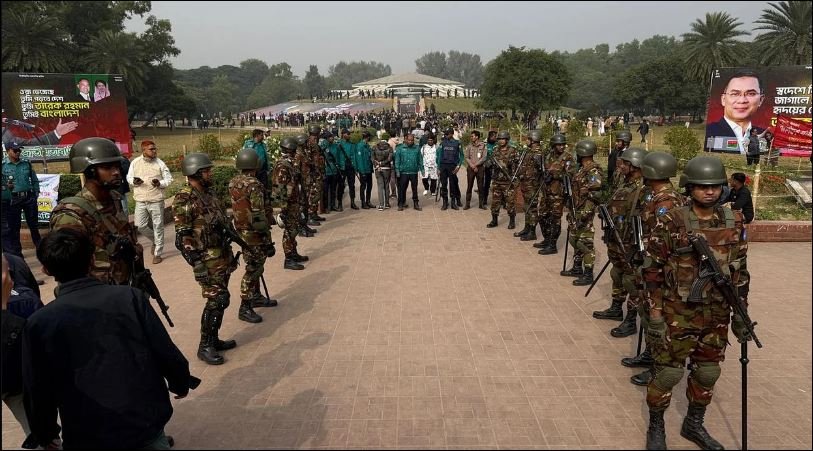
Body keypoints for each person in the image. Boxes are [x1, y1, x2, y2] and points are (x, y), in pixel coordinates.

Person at [23, 228, 199, 449]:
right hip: (143, 424)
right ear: (91, 260)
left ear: (46, 270)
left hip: (86, 433)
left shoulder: (40, 323)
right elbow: (163, 349)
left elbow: (37, 388)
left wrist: (45, 433)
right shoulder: (129, 298)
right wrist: (180, 382)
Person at [642, 156, 750, 450]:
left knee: (707, 372)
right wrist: (654, 314)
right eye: (702, 186)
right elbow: (652, 270)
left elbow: (740, 268)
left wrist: (741, 313)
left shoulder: (734, 220)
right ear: (689, 188)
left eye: (714, 186)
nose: (709, 192)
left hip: (717, 313)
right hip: (678, 313)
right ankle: (656, 426)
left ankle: (693, 424)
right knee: (668, 373)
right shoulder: (672, 220)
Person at [622, 151, 685, 387]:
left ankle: (658, 365)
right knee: (647, 313)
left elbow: (664, 238)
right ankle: (651, 354)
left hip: (661, 268)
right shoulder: (655, 196)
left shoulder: (666, 201)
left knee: (657, 320)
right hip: (650, 262)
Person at [173, 153, 240, 364]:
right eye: (206, 171)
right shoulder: (185, 198)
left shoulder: (208, 194)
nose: (210, 173)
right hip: (206, 260)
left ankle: (214, 338)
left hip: (220, 256)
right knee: (216, 300)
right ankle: (205, 345)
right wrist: (197, 263)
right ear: (195, 173)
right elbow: (182, 237)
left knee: (222, 299)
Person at [50, 137, 143, 285]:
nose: (116, 172)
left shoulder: (115, 199)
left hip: (125, 287)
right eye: (107, 167)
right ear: (91, 171)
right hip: (96, 296)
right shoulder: (72, 214)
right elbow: (67, 269)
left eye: (117, 167)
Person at [591, 148, 648, 338]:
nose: (620, 166)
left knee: (631, 281)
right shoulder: (625, 183)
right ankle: (616, 308)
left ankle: (631, 320)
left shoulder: (643, 189)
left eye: (624, 163)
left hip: (630, 244)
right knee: (617, 274)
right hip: (616, 239)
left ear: (635, 166)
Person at [229, 149, 277, 324]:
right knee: (254, 268)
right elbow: (258, 215)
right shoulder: (254, 185)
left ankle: (255, 296)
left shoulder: (233, 183)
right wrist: (266, 238)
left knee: (253, 264)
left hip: (241, 231)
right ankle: (245, 306)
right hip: (254, 233)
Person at [560, 140, 604, 286]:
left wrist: (585, 213)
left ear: (582, 153)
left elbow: (595, 195)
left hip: (585, 211)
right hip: (575, 209)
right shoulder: (581, 169)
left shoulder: (593, 171)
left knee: (585, 243)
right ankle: (577, 267)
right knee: (574, 239)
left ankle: (588, 273)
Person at [127, 140, 173, 264]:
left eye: (154, 149)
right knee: (140, 225)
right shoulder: (135, 163)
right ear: (144, 150)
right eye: (151, 149)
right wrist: (134, 181)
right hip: (141, 199)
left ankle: (158, 252)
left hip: (156, 199)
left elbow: (169, 179)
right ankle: (155, 240)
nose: (154, 151)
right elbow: (129, 177)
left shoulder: (160, 163)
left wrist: (160, 183)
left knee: (158, 226)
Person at [705, 69, 766, 153]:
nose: (742, 100)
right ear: (723, 99)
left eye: (751, 94)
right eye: (735, 94)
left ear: (761, 100)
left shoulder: (766, 136)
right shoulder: (710, 132)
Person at [271, 138, 309, 270]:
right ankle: (288, 259)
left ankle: (293, 253)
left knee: (294, 229)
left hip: (293, 202)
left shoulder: (288, 163)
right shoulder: (282, 165)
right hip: (288, 204)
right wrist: (283, 207)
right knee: (289, 230)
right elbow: (280, 188)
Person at [537, 134, 576, 255]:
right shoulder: (548, 155)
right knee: (543, 215)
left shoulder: (568, 158)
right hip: (546, 192)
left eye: (563, 144)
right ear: (553, 145)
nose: (561, 147)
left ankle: (552, 245)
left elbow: (571, 175)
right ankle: (547, 239)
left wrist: (555, 175)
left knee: (555, 219)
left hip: (558, 193)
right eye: (558, 145)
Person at [2, 141, 41, 258]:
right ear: (8, 151)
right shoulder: (3, 165)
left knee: (34, 225)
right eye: (15, 150)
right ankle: (18, 255)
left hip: (29, 198)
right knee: (14, 228)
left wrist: (35, 193)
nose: (18, 152)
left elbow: (34, 179)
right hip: (13, 200)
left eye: (19, 149)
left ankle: (41, 250)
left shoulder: (26, 163)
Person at [514, 130, 544, 241]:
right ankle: (526, 228)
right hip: (526, 183)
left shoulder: (538, 153)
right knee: (527, 207)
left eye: (528, 139)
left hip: (533, 184)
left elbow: (541, 169)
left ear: (533, 140)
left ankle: (532, 231)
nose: (526, 140)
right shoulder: (529, 151)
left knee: (532, 208)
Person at [486, 131, 519, 228]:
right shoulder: (495, 150)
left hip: (508, 181)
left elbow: (517, 166)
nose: (501, 141)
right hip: (497, 181)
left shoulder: (513, 151)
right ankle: (494, 220)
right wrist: (489, 163)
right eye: (499, 139)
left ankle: (512, 221)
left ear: (507, 140)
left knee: (510, 202)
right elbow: (490, 161)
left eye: (503, 139)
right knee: (495, 202)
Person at [394, 133, 424, 211]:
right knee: (402, 189)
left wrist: (422, 170)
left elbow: (420, 160)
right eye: (409, 140)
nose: (410, 141)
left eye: (412, 140)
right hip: (403, 172)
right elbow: (397, 160)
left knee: (414, 189)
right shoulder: (400, 148)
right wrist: (397, 170)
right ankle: (401, 203)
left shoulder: (417, 148)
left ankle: (416, 203)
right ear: (405, 139)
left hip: (413, 172)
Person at [436, 128, 464, 210]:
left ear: (452, 134)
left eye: (447, 134)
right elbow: (439, 155)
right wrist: (438, 167)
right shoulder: (442, 143)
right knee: (443, 185)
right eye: (445, 134)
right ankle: (445, 202)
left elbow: (461, 156)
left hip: (452, 166)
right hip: (443, 166)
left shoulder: (457, 143)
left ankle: (453, 202)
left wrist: (458, 166)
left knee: (453, 185)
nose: (446, 135)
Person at [463, 130, 487, 210]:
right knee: (469, 186)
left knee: (481, 187)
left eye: (472, 136)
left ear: (477, 137)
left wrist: (476, 165)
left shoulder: (483, 146)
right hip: (471, 168)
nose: (471, 137)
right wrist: (472, 165)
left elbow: (484, 157)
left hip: (480, 168)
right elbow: (466, 157)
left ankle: (481, 204)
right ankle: (467, 204)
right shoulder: (469, 146)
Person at [336, 129, 358, 210]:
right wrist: (338, 166)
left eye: (349, 134)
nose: (349, 135)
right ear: (343, 134)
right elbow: (337, 156)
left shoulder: (352, 144)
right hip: (342, 167)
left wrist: (355, 167)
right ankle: (339, 203)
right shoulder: (338, 145)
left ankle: (352, 202)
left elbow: (354, 156)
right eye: (347, 134)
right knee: (341, 186)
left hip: (350, 167)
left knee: (352, 185)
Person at [353, 130, 374, 209]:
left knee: (370, 186)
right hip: (363, 169)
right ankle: (363, 202)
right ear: (368, 137)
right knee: (363, 186)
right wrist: (361, 171)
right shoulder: (360, 146)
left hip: (368, 168)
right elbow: (359, 159)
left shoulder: (367, 145)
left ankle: (368, 201)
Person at [372, 140, 393, 210]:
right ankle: (387, 203)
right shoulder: (389, 148)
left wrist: (377, 164)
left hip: (378, 169)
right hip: (387, 168)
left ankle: (381, 205)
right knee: (386, 186)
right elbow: (390, 159)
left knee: (380, 187)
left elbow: (372, 158)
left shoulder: (375, 147)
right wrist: (382, 163)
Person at [481, 130, 497, 207]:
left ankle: (501, 201)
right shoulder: (485, 145)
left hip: (497, 167)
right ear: (490, 137)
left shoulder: (497, 145)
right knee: (486, 184)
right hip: (487, 167)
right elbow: (480, 155)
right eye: (494, 136)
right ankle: (484, 200)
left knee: (498, 184)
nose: (495, 138)